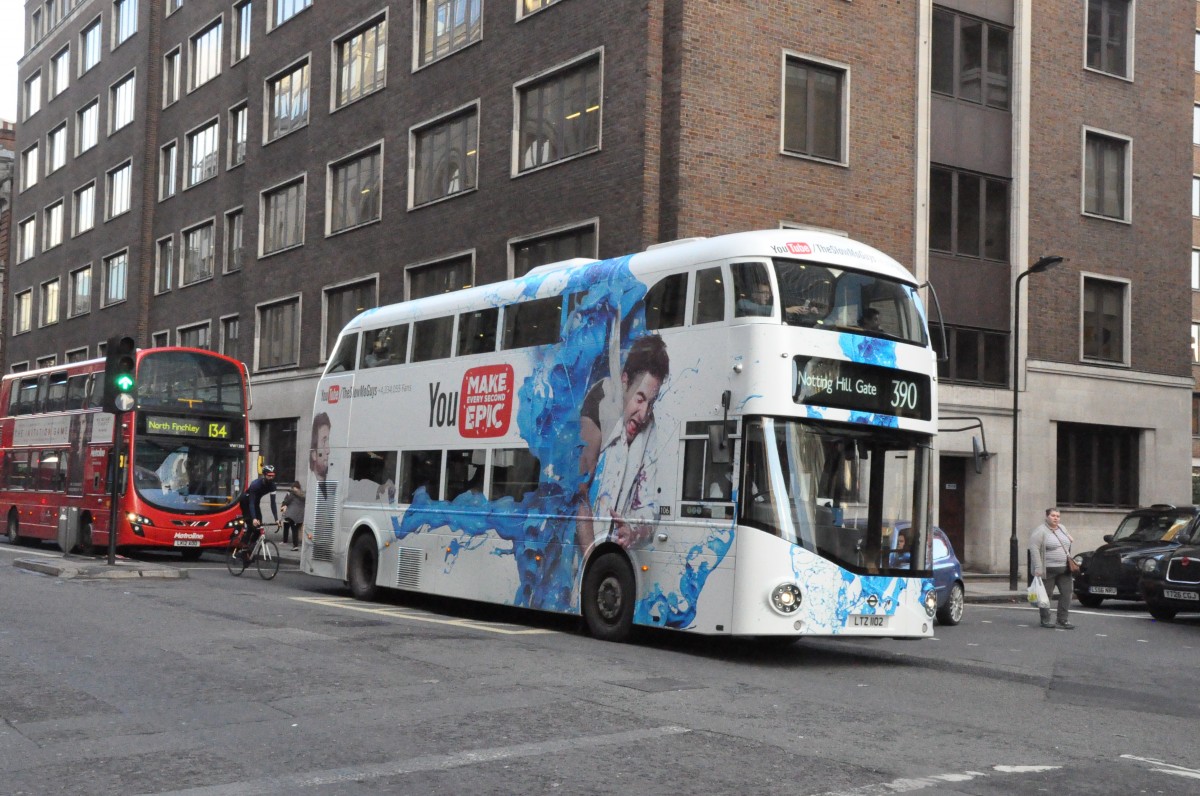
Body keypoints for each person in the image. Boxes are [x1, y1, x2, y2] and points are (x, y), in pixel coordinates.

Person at [577, 334, 670, 550]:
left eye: (651, 403)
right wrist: (593, 558)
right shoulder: (599, 403)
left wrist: (633, 530)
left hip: (613, 556)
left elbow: (648, 506)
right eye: (640, 399)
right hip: (580, 557)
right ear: (624, 381)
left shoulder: (649, 426)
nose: (644, 413)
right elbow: (578, 495)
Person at [1029, 507, 1075, 629]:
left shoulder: (1062, 528)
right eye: (1053, 516)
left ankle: (1062, 619)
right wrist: (1038, 567)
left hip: (1065, 568)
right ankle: (1045, 619)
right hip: (1048, 569)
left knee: (1067, 593)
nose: (1056, 518)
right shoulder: (1040, 531)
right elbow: (1034, 549)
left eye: (1058, 516)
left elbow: (1068, 540)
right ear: (1047, 517)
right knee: (1046, 596)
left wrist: (1069, 538)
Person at [237, 465, 279, 560]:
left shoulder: (273, 486)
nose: (271, 477)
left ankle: (250, 548)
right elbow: (251, 503)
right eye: (269, 475)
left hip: (256, 503)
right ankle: (243, 548)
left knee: (258, 528)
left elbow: (273, 503)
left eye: (273, 475)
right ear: (264, 475)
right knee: (252, 525)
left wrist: (276, 519)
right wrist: (254, 518)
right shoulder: (255, 484)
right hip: (246, 502)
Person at [280, 480, 305, 551]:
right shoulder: (303, 494)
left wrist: (283, 505)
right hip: (300, 515)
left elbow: (286, 501)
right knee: (295, 529)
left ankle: (295, 546)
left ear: (293, 487)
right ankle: (293, 543)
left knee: (294, 530)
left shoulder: (292, 494)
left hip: (292, 515)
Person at [310, 413, 331, 481]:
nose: (328, 451)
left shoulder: (329, 482)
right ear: (314, 454)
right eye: (324, 442)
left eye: (328, 441)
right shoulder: (311, 485)